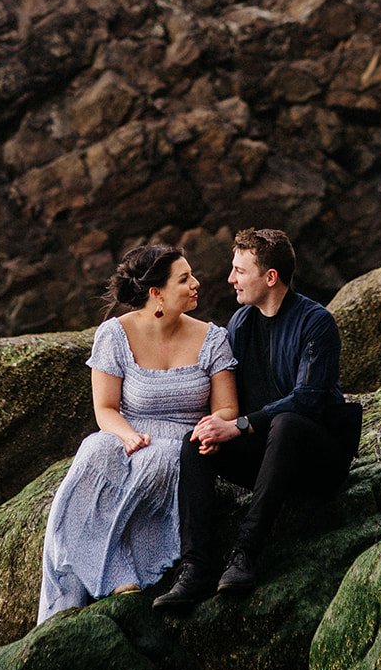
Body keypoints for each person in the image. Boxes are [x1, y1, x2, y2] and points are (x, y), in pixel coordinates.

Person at [153, 226, 361, 609]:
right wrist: (217, 426)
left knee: (287, 424)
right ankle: (196, 568)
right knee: (196, 442)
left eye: (239, 271)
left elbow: (309, 401)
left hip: (319, 460)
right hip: (267, 456)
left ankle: (245, 553)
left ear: (270, 277)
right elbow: (227, 396)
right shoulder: (241, 324)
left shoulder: (316, 322)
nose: (231, 279)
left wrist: (241, 426)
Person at [36, 243, 238, 624]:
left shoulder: (213, 338)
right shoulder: (114, 335)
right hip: (125, 431)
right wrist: (127, 435)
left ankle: (126, 570)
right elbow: (105, 409)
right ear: (155, 293)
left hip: (182, 439)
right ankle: (102, 572)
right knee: (93, 453)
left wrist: (216, 426)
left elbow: (226, 408)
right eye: (185, 279)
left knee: (159, 460)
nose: (196, 283)